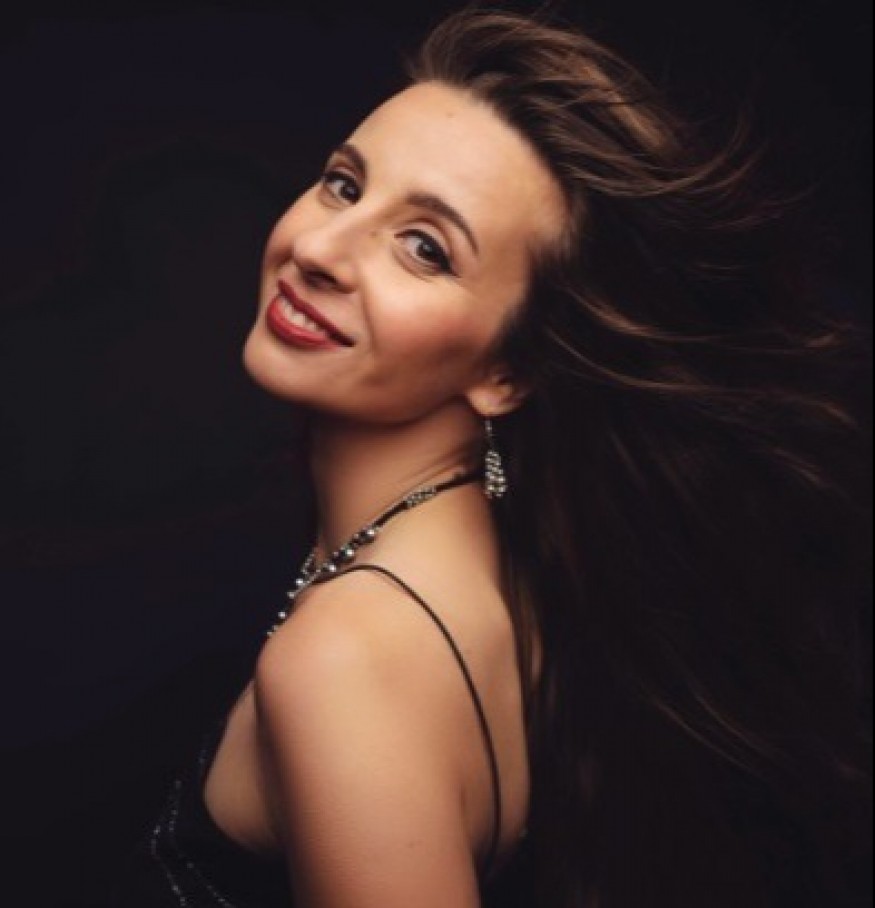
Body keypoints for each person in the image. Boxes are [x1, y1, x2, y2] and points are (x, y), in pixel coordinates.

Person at [112, 6, 870, 907]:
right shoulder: (506, 568)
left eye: (424, 249)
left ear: (509, 371)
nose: (316, 249)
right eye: (344, 186)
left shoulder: (345, 662)